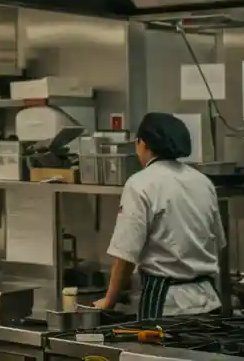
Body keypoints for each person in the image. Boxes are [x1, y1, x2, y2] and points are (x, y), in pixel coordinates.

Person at [93, 112, 226, 318]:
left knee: (160, 352)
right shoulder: (203, 182)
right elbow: (218, 243)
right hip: (208, 302)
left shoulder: (140, 183)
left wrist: (109, 301)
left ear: (143, 144)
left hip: (165, 305)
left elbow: (125, 255)